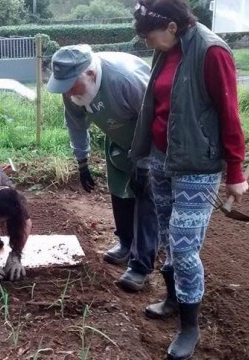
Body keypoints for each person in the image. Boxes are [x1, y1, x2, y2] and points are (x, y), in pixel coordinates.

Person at [130, 1, 249, 359]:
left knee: (183, 249)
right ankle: (171, 298)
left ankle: (189, 327)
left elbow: (229, 112)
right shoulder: (167, 51)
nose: (147, 44)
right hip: (163, 158)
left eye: (150, 37)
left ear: (170, 26)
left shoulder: (212, 52)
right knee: (168, 237)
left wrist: (235, 172)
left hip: (198, 166)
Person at [46, 44, 159, 291]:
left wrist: (145, 163)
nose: (67, 92)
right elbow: (76, 125)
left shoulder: (126, 80)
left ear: (90, 74)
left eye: (71, 85)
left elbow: (156, 118)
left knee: (146, 199)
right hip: (118, 138)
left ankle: (141, 266)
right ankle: (126, 243)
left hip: (151, 141)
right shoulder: (72, 90)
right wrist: (82, 161)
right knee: (119, 189)